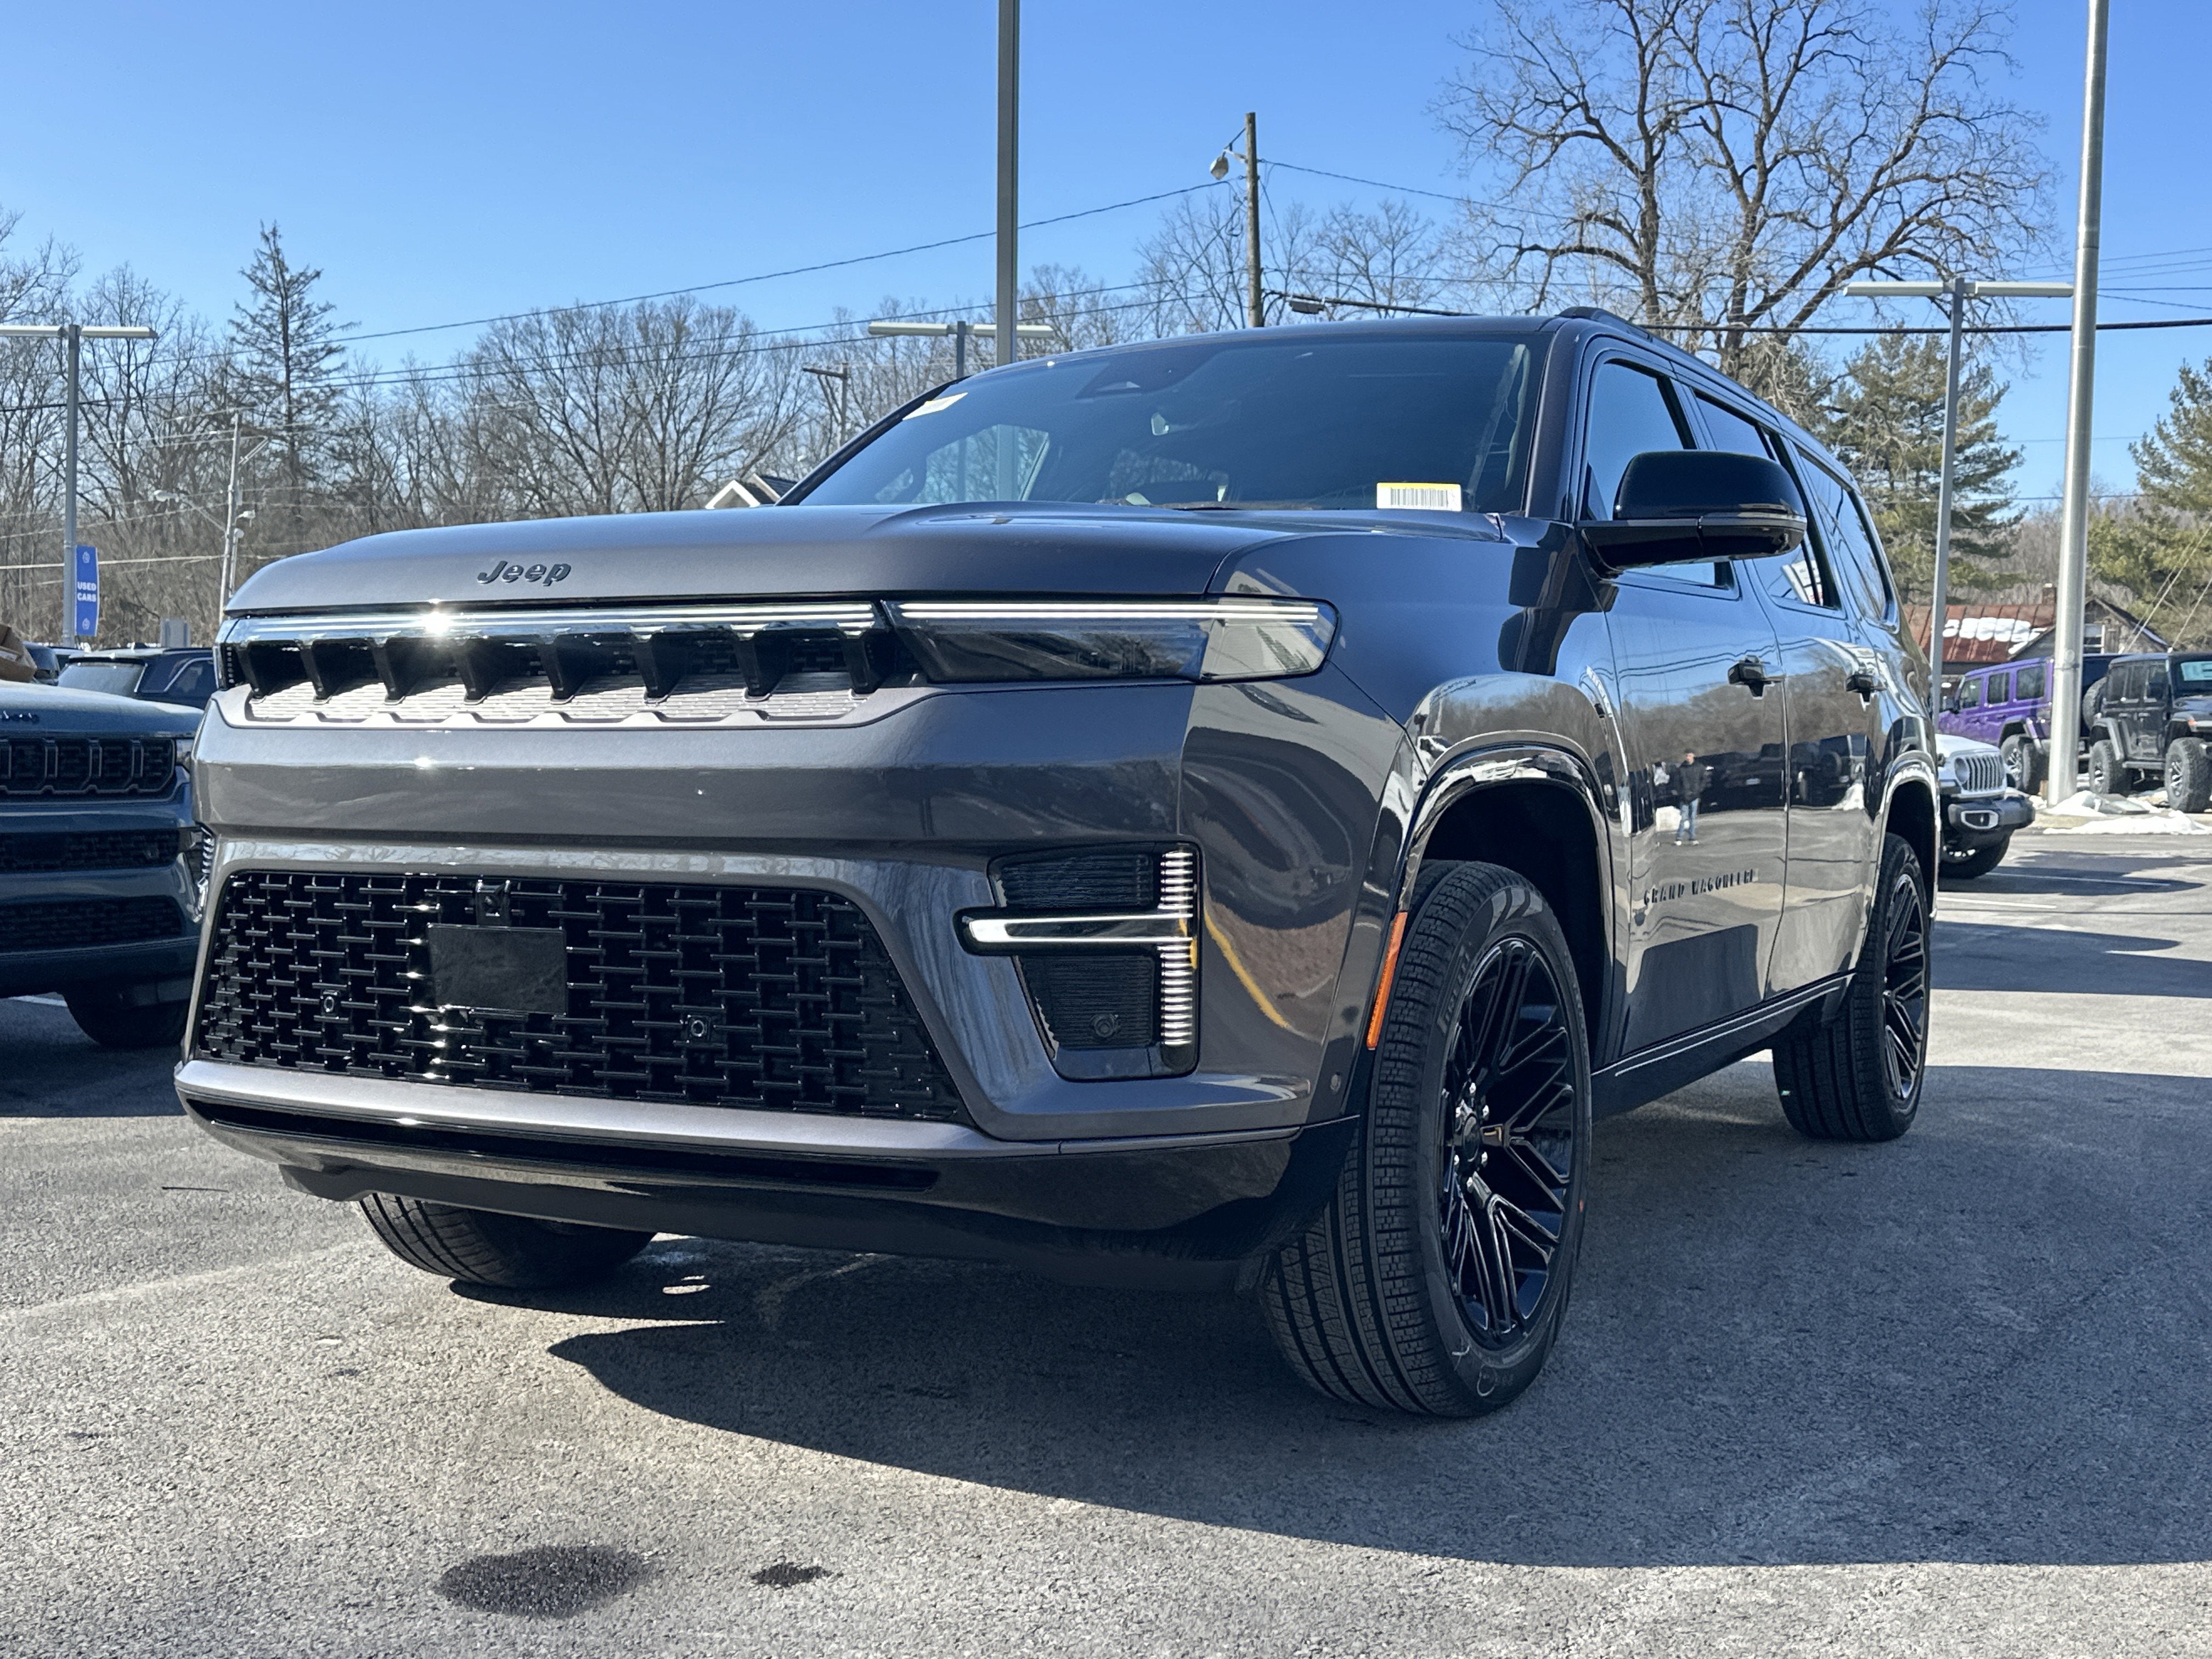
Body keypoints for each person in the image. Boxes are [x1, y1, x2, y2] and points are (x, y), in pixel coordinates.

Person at [1674, 750, 1710, 844]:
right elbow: (1677, 782)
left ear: (1693, 756)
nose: (1688, 758)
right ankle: (1679, 838)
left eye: (1690, 756)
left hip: (1695, 795)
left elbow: (1704, 779)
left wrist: (1699, 790)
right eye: (1687, 756)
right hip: (1684, 797)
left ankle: (1692, 837)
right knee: (1683, 818)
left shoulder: (1699, 767)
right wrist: (1681, 793)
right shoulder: (1681, 769)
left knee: (1693, 818)